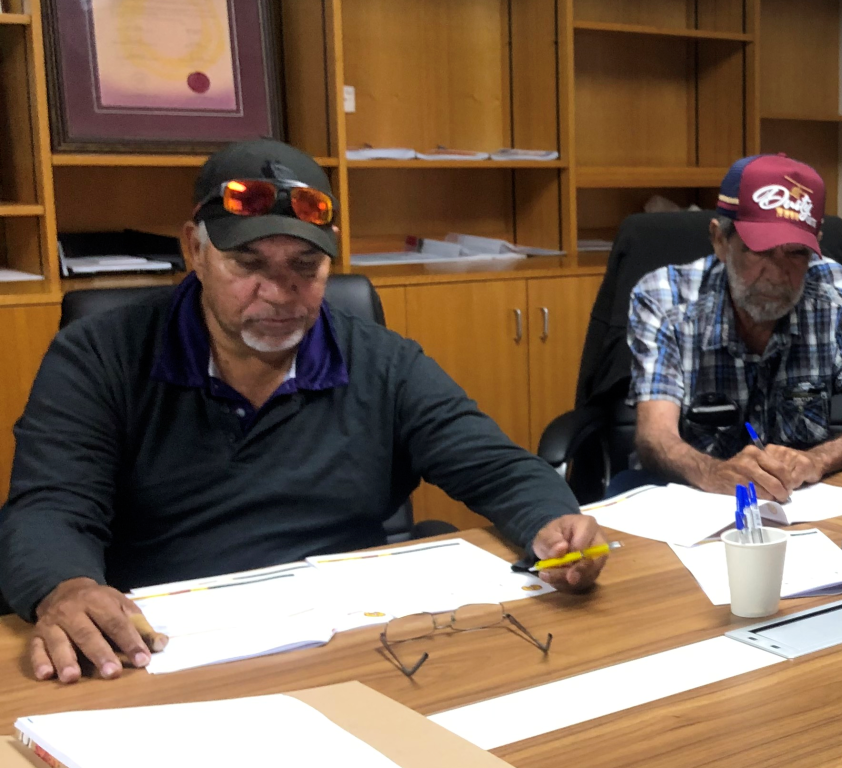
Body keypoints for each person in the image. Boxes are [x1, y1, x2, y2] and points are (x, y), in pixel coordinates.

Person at [0, 140, 604, 685]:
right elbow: (50, 508)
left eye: (305, 268)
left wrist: (551, 521)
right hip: (164, 649)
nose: (279, 293)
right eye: (249, 265)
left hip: (355, 644)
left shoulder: (381, 361)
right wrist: (67, 587)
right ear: (194, 250)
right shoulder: (101, 356)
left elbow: (492, 464)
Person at [629, 153, 842, 503]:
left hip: (799, 502)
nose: (778, 275)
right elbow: (654, 436)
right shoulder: (666, 299)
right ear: (720, 241)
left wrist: (816, 460)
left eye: (795, 254)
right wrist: (712, 472)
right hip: (694, 498)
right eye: (759, 251)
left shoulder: (836, 294)